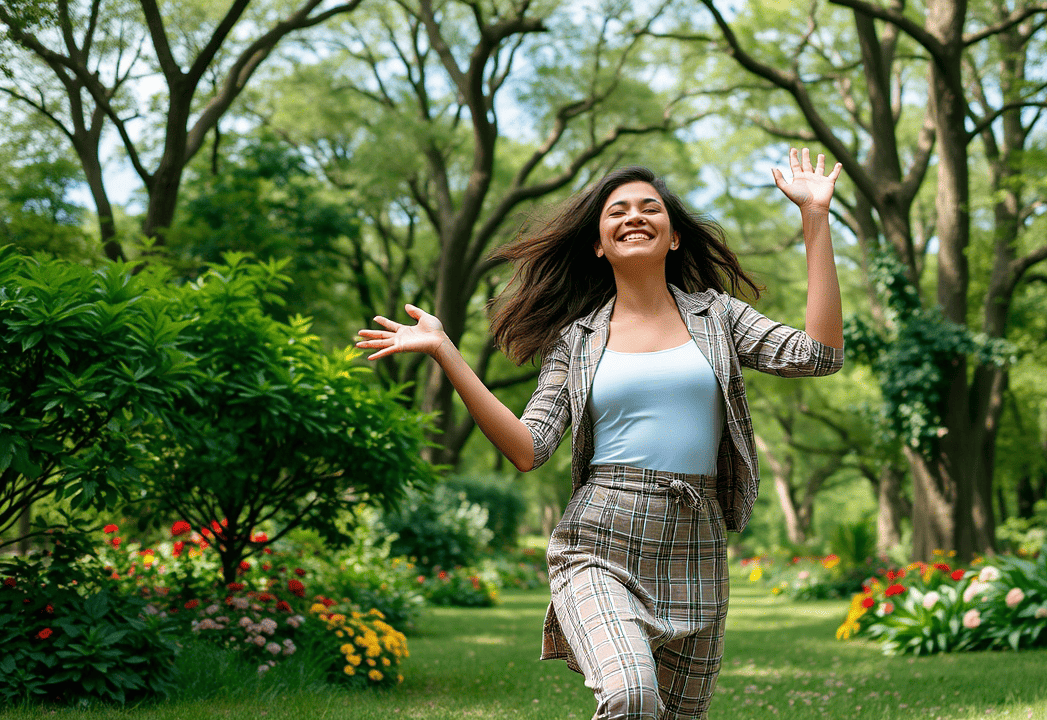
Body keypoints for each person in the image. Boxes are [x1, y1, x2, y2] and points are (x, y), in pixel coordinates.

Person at [356, 148, 845, 720]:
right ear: (597, 242)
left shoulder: (719, 318)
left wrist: (815, 216)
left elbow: (819, 356)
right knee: (630, 696)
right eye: (617, 211)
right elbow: (527, 447)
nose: (634, 216)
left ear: (674, 237)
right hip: (600, 539)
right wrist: (446, 351)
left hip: (697, 539)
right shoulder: (577, 341)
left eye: (650, 207)